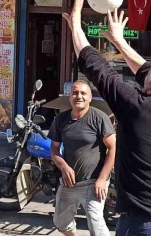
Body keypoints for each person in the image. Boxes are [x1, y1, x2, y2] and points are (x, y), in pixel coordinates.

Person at [63, 0, 151, 236]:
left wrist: (75, 25)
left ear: (150, 89)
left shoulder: (138, 108)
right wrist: (119, 41)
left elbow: (94, 64)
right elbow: (149, 73)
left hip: (144, 225)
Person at [48, 80, 116, 236]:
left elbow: (113, 148)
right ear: (70, 97)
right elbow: (54, 148)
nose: (79, 96)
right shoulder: (61, 119)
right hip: (69, 182)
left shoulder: (99, 118)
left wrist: (102, 179)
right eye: (75, 93)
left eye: (83, 93)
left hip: (93, 182)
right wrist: (63, 167)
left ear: (90, 97)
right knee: (60, 221)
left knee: (96, 224)